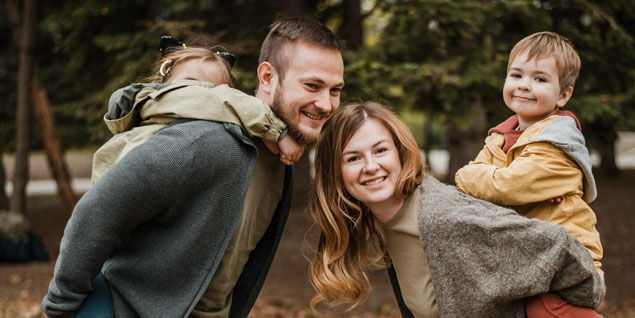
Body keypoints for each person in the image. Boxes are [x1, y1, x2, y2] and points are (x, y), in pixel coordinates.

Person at [42, 16, 344, 318]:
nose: (327, 104)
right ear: (266, 77)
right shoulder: (207, 142)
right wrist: (61, 308)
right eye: (312, 85)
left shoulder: (282, 164)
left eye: (335, 90)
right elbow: (96, 212)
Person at [309, 101, 605, 318]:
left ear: (400, 153)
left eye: (380, 150)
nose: (371, 166)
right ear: (335, 172)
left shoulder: (443, 216)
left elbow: (560, 247)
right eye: (353, 158)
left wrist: (557, 305)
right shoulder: (379, 222)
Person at [454, 31, 603, 317]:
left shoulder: (558, 145)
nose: (524, 86)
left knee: (543, 309)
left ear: (563, 95)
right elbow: (473, 193)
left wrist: (466, 174)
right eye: (516, 75)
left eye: (540, 79)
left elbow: (505, 186)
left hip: (568, 260)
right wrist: (475, 178)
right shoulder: (500, 138)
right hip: (527, 256)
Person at [89, 36, 303, 186]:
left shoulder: (215, 134)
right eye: (191, 83)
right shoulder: (157, 104)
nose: (202, 95)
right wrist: (278, 132)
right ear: (162, 83)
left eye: (215, 89)